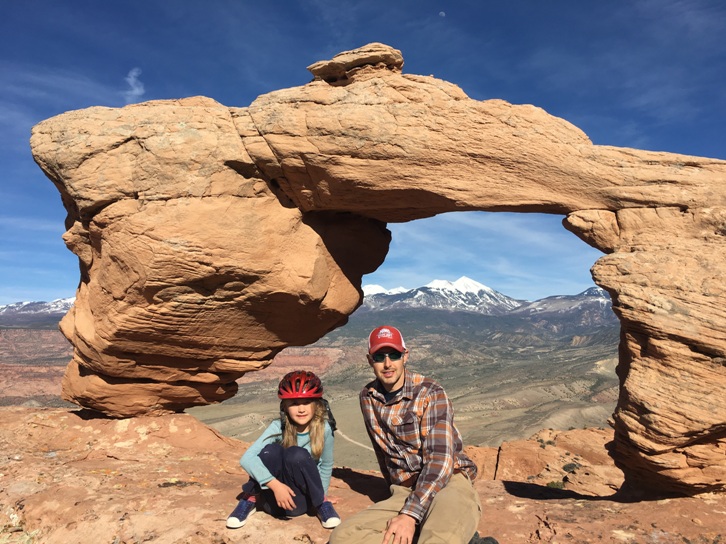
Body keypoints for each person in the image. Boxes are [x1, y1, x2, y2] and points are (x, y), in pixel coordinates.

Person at [330, 325, 495, 544]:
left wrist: (409, 514)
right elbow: (382, 452)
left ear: (405, 356)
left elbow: (440, 459)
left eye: (394, 355)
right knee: (343, 538)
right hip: (405, 489)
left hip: (447, 481)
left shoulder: (430, 392)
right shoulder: (368, 396)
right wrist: (397, 497)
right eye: (379, 357)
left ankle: (435, 526)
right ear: (370, 360)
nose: (387, 364)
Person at [226, 370, 341, 530]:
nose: (301, 409)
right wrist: (275, 485)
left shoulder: (324, 429)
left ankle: (322, 505)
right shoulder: (277, 427)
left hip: (298, 503)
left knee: (296, 455)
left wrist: (322, 495)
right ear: (285, 407)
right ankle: (250, 499)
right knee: (271, 451)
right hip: (271, 500)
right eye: (294, 403)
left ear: (317, 404)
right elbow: (247, 458)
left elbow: (326, 465)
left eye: (307, 402)